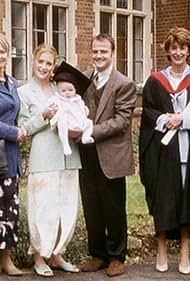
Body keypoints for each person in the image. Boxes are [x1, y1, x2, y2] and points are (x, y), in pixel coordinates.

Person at [18, 44, 81, 277]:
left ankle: (57, 255)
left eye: (48, 63)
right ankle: (38, 256)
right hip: (43, 157)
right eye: (40, 61)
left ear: (54, 66)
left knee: (65, 207)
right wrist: (44, 116)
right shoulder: (24, 92)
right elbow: (23, 128)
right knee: (42, 208)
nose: (44, 67)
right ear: (33, 61)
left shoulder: (61, 88)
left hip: (68, 156)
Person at [79, 34, 136, 277]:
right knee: (92, 206)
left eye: (103, 51)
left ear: (113, 53)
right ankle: (98, 254)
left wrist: (91, 129)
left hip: (112, 156)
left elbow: (122, 121)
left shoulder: (124, 83)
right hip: (87, 153)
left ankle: (116, 256)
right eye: (95, 51)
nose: (99, 56)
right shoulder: (85, 78)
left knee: (113, 207)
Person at [139, 27, 190, 274]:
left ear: (188, 51)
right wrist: (165, 119)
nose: (178, 52)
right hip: (164, 151)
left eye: (182, 47)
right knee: (163, 199)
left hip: (188, 150)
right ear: (168, 52)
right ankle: (160, 248)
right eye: (174, 48)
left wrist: (183, 119)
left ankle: (185, 250)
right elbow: (147, 111)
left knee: (187, 200)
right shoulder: (155, 80)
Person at [0, 33, 26, 276]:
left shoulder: (13, 83)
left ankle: (6, 261)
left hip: (10, 157)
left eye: (3, 52)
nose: (0, 57)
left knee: (9, 209)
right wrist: (14, 131)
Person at [49, 60, 94, 156]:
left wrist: (85, 110)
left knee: (89, 122)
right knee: (62, 120)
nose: (67, 93)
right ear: (58, 91)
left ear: (75, 90)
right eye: (63, 90)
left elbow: (83, 109)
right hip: (66, 122)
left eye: (70, 90)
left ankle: (86, 137)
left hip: (77, 122)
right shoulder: (57, 98)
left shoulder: (78, 100)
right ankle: (65, 143)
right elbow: (51, 105)